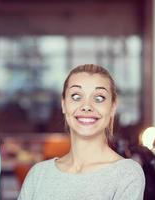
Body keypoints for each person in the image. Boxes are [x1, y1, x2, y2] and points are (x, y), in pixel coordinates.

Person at [18, 64, 145, 200]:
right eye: (76, 97)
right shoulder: (38, 174)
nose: (86, 106)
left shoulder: (126, 174)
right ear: (63, 104)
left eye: (99, 98)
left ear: (113, 107)